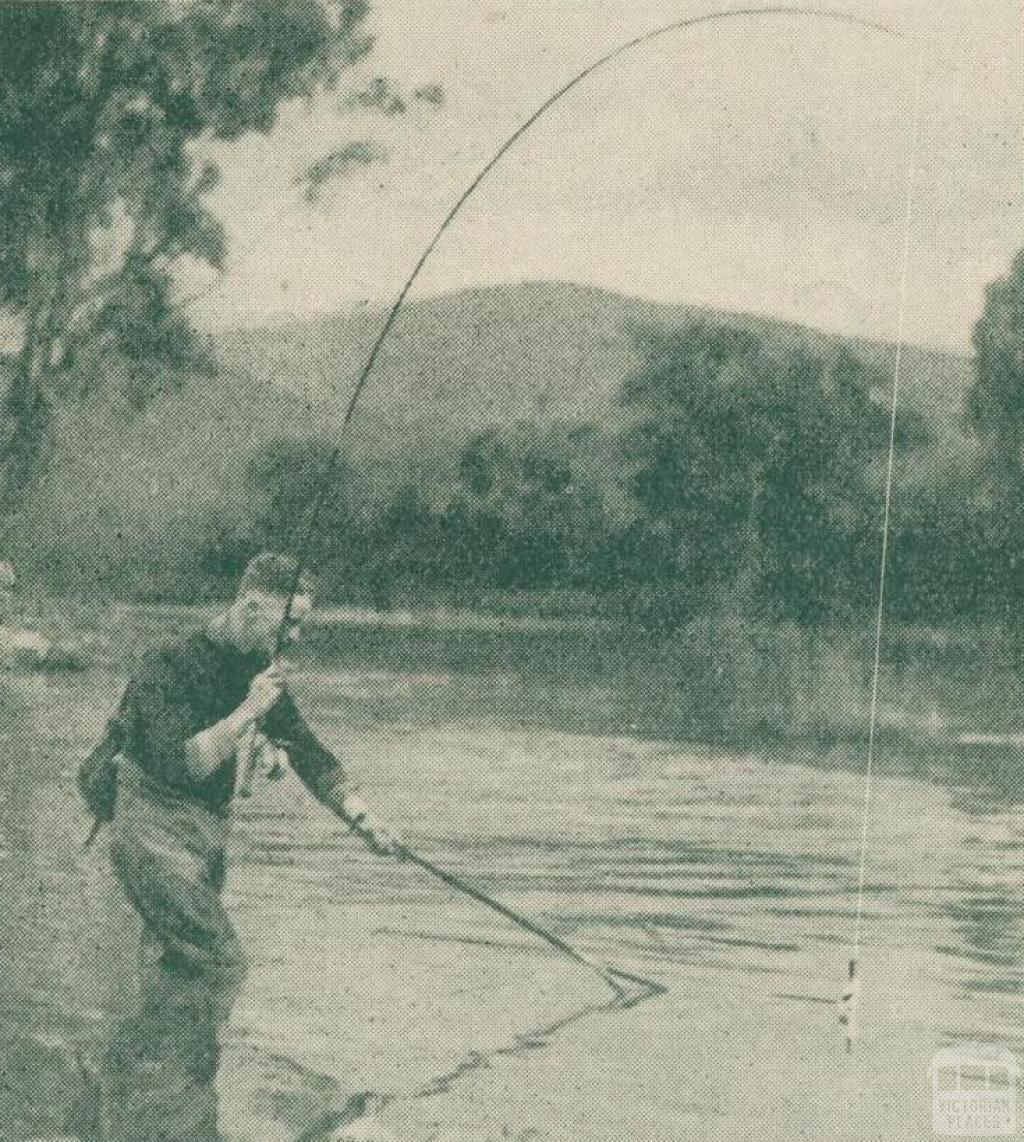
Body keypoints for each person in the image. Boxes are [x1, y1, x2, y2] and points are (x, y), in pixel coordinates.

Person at [99, 551, 397, 1140]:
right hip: (150, 830)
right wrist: (248, 712)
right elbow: (187, 761)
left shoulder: (259, 668)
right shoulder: (167, 666)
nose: (295, 636)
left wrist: (363, 818)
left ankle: (150, 1100)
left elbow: (307, 751)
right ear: (252, 606)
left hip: (205, 836)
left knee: (174, 966)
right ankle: (149, 1091)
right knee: (220, 962)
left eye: (302, 625)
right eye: (290, 623)